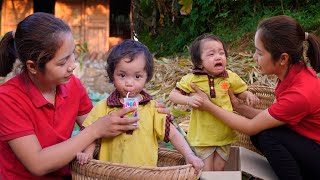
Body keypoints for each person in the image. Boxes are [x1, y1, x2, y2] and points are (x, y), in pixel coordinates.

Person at [0, 12, 168, 179]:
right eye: (62, 62)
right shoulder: (8, 98)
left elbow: (98, 120)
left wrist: (149, 113)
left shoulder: (72, 85)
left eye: (73, 54)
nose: (72, 65)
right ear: (33, 66)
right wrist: (94, 131)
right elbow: (38, 164)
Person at [190, 15, 320, 179]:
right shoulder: (292, 73)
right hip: (306, 143)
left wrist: (208, 106)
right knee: (262, 133)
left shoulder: (300, 93)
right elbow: (269, 118)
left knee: (267, 136)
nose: (254, 57)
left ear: (283, 58)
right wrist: (239, 107)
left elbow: (250, 126)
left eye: (259, 53)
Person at [76, 39, 204, 174]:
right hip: (110, 174)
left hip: (144, 175)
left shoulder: (153, 108)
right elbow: (91, 133)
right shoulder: (104, 107)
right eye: (122, 75)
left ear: (146, 77)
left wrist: (189, 155)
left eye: (137, 76)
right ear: (112, 75)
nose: (129, 83)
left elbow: (172, 133)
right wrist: (88, 154)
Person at [169, 33, 259, 171]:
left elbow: (240, 91)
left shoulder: (230, 77)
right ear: (199, 62)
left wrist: (248, 94)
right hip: (203, 136)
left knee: (220, 167)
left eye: (221, 53)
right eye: (211, 54)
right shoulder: (191, 79)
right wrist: (188, 99)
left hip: (224, 134)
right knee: (206, 169)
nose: (218, 57)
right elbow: (173, 95)